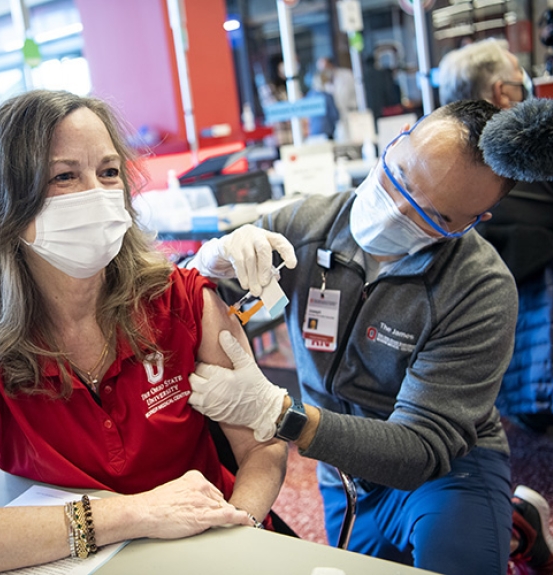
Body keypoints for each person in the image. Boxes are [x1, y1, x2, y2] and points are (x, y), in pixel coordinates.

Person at [0, 89, 291, 574]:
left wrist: (237, 532)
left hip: (215, 543)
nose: (98, 192)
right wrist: (133, 513)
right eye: (65, 176)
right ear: (3, 206)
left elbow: (263, 446)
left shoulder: (180, 299)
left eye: (109, 172)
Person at [186, 98, 553, 575]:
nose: (397, 209)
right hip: (344, 469)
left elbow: (420, 448)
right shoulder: (303, 228)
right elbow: (178, 312)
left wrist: (281, 414)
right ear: (396, 142)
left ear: (471, 223)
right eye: (399, 178)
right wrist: (203, 265)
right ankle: (507, 521)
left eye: (435, 216)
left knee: (460, 560)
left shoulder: (480, 289)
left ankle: (509, 522)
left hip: (445, 469)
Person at [438, 38, 553, 437]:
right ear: (503, 93)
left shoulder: (434, 164)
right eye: (522, 87)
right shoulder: (531, 163)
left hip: (465, 363)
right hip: (535, 370)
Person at [317, 56, 357, 139]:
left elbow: (357, 94)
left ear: (331, 65)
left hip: (351, 115)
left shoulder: (347, 75)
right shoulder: (323, 84)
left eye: (325, 68)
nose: (324, 72)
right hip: (336, 122)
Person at [304, 71, 339, 140]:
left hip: (313, 132)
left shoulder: (309, 96)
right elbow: (335, 115)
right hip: (327, 131)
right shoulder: (327, 96)